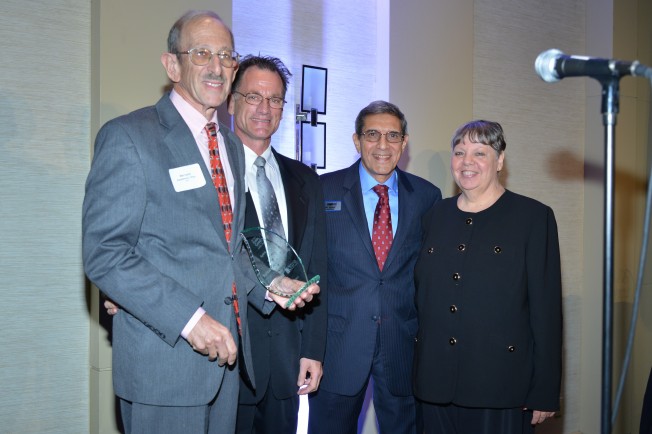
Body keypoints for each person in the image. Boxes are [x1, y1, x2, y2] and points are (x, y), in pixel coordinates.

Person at [83, 11, 317, 434]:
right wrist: (190, 320)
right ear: (172, 65)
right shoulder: (129, 137)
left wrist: (269, 284)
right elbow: (105, 253)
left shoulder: (230, 146)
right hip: (164, 366)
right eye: (201, 53)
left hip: (225, 368)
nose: (216, 66)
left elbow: (227, 250)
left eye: (226, 56)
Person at [412, 120, 562, 433]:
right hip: (434, 385)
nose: (467, 161)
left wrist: (545, 389)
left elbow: (546, 312)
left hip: (501, 387)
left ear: (500, 160)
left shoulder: (533, 218)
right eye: (459, 152)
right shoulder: (434, 216)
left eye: (480, 153)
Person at [308, 100, 442, 434]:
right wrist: (308, 348)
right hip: (339, 347)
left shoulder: (427, 196)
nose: (383, 144)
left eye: (393, 136)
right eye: (372, 134)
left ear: (404, 142)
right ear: (357, 141)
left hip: (402, 347)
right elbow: (310, 268)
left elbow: (431, 276)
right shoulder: (322, 189)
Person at [228, 55, 328, 434]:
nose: (264, 108)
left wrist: (312, 350)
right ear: (232, 101)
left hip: (288, 360)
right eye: (253, 96)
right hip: (230, 359)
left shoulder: (305, 179)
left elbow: (317, 265)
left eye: (274, 99)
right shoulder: (214, 173)